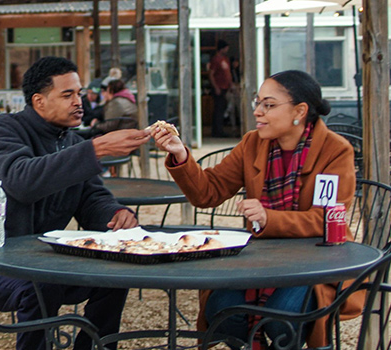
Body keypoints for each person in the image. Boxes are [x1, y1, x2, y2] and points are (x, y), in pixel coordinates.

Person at [0, 56, 150, 350]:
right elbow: (22, 181)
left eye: (78, 93)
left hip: (42, 262)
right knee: (40, 287)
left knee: (114, 276)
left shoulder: (71, 142)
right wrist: (97, 147)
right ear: (39, 101)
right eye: (67, 95)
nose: (78, 101)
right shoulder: (0, 129)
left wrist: (116, 213)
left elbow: (92, 198)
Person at [150, 70, 359, 349]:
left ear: (300, 110)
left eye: (269, 105)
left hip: (314, 266)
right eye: (257, 103)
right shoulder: (252, 143)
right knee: (221, 310)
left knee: (280, 319)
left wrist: (268, 218)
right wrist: (180, 154)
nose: (258, 112)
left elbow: (327, 220)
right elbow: (207, 192)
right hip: (258, 260)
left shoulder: (335, 150)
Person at [208, 40, 232, 137]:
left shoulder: (225, 59)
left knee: (223, 109)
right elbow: (211, 74)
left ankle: (220, 129)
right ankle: (217, 131)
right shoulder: (216, 59)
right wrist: (216, 87)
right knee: (218, 109)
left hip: (225, 87)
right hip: (219, 87)